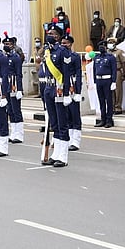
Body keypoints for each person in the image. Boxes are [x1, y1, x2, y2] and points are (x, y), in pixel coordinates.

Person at [38, 25, 72, 167]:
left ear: (57, 36)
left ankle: (63, 156)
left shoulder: (63, 51)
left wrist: (66, 93)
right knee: (54, 123)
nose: (49, 35)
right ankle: (56, 153)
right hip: (48, 89)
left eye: (52, 33)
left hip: (58, 89)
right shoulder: (47, 51)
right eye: (48, 33)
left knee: (62, 123)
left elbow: (66, 73)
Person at [61, 34, 83, 151]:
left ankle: (76, 140)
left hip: (72, 85)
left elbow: (78, 73)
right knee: (66, 114)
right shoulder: (60, 55)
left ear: (71, 44)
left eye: (66, 43)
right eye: (62, 43)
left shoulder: (75, 57)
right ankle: (68, 138)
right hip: (63, 85)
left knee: (75, 113)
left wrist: (78, 90)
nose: (63, 45)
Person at [3, 35, 26, 143]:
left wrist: (20, 89)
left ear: (12, 46)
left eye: (8, 44)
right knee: (10, 110)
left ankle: (19, 134)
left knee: (16, 110)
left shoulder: (16, 57)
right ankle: (13, 133)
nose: (6, 46)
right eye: (5, 44)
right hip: (6, 85)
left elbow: (18, 74)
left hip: (14, 84)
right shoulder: (3, 57)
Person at [92, 41, 117, 127]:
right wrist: (95, 81)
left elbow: (114, 70)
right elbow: (94, 70)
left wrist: (113, 81)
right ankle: (103, 119)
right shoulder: (97, 57)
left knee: (109, 101)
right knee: (101, 101)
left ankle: (109, 120)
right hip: (99, 81)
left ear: (106, 47)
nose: (101, 48)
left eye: (102, 46)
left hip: (107, 80)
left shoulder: (110, 57)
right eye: (100, 46)